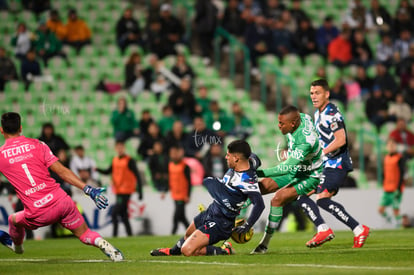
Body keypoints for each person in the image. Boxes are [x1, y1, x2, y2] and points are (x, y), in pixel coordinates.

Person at [0, 112, 123, 261]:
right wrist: (88, 189)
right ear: (20, 128)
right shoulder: (38, 144)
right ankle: (106, 247)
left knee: (14, 219)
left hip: (38, 211)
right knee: (85, 234)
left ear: (2, 130)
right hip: (61, 201)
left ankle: (17, 247)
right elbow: (63, 172)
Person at [150, 140, 265, 256]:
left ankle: (224, 250)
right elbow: (254, 158)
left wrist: (248, 224)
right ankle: (172, 252)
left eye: (228, 155)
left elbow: (259, 204)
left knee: (187, 250)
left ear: (236, 158)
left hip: (221, 222)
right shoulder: (249, 161)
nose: (225, 157)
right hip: (212, 209)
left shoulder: (247, 180)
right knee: (188, 235)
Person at [296, 79, 369, 249]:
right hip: (326, 164)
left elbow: (341, 139)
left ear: (327, 94)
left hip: (337, 164)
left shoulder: (331, 113)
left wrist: (321, 154)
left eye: (317, 93)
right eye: (312, 93)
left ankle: (355, 229)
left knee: (322, 199)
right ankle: (333, 229)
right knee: (301, 195)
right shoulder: (318, 113)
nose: (313, 96)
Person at [251, 105, 325, 254]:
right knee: (257, 188)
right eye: (278, 122)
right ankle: (235, 222)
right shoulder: (300, 119)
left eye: (281, 124)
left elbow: (286, 168)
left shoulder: (305, 141)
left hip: (310, 175)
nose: (278, 126)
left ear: (293, 123)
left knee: (277, 199)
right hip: (297, 168)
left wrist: (257, 172)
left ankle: (264, 244)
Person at [97, 141, 143, 237]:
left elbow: (137, 175)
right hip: (118, 190)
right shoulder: (115, 160)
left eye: (121, 147)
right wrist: (97, 169)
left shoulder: (130, 160)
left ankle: (115, 235)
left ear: (124, 148)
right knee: (123, 215)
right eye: (118, 147)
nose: (120, 149)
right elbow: (107, 171)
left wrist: (140, 191)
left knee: (114, 214)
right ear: (115, 149)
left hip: (126, 191)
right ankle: (130, 235)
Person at [379, 138, 405, 227]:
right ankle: (390, 221)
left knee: (395, 209)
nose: (391, 147)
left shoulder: (399, 158)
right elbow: (384, 172)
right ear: (387, 147)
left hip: (396, 188)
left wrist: (399, 188)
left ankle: (399, 226)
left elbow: (402, 174)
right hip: (387, 188)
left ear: (396, 147)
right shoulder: (386, 158)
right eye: (389, 145)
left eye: (393, 145)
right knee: (381, 209)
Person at [168, 144, 192, 235]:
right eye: (172, 153)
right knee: (182, 217)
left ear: (179, 153)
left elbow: (189, 182)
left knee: (176, 216)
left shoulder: (185, 166)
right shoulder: (170, 165)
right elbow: (170, 180)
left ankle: (172, 233)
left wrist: (188, 195)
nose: (174, 155)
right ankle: (192, 233)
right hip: (174, 194)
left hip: (182, 195)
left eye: (175, 153)